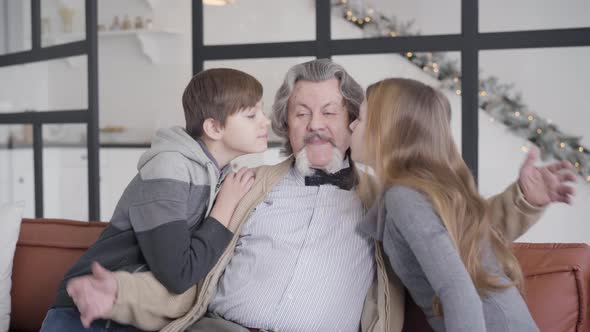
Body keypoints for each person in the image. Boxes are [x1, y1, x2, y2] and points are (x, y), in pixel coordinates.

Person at [65, 59, 574, 332]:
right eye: (302, 112)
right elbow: (191, 281)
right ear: (285, 122)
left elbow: (459, 232)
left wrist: (524, 200)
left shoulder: (388, 198)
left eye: (330, 112)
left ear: (355, 121)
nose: (317, 126)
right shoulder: (245, 186)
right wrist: (121, 295)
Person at [39, 68, 271, 332]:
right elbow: (178, 275)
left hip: (141, 313)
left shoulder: (222, 176)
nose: (266, 121)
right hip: (88, 311)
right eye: (252, 115)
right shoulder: (169, 168)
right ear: (214, 127)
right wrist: (225, 206)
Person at [350, 78, 574, 331]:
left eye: (359, 118)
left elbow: (456, 289)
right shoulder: (414, 192)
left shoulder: (404, 197)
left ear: (385, 132)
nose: (351, 125)